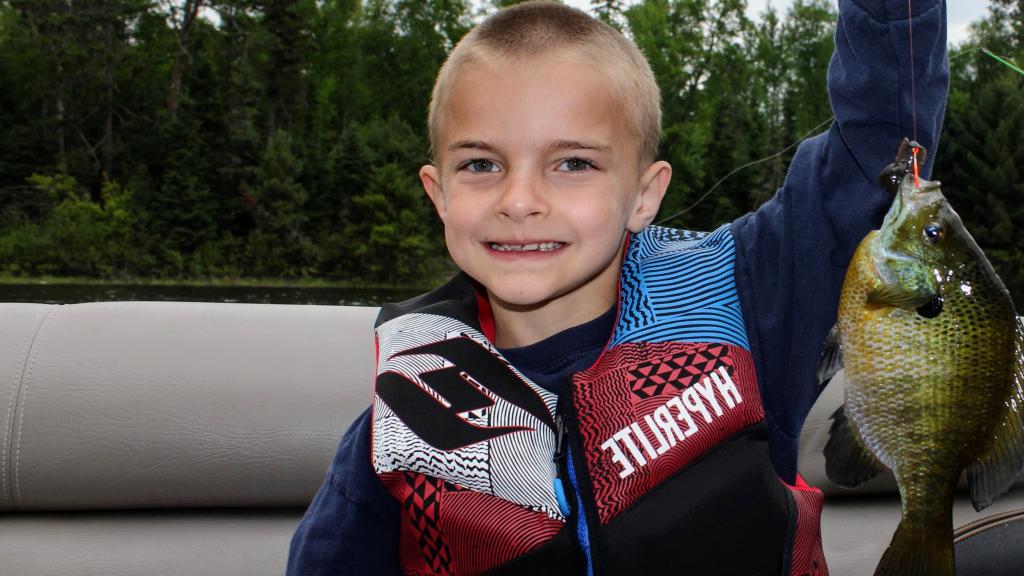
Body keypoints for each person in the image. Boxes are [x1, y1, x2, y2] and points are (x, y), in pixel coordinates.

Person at [287, 0, 948, 574]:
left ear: (644, 194)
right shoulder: (399, 429)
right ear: (439, 194)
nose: (520, 200)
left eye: (573, 163)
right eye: (481, 164)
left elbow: (880, 141)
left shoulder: (750, 300)